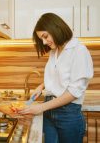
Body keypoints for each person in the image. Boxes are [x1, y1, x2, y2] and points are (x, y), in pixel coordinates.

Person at [18, 13, 93, 143]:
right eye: (41, 39)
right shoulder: (55, 51)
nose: (44, 42)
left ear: (56, 28)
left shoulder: (79, 51)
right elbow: (57, 77)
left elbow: (73, 93)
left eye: (45, 36)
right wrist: (41, 86)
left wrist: (41, 107)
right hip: (49, 112)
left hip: (68, 114)